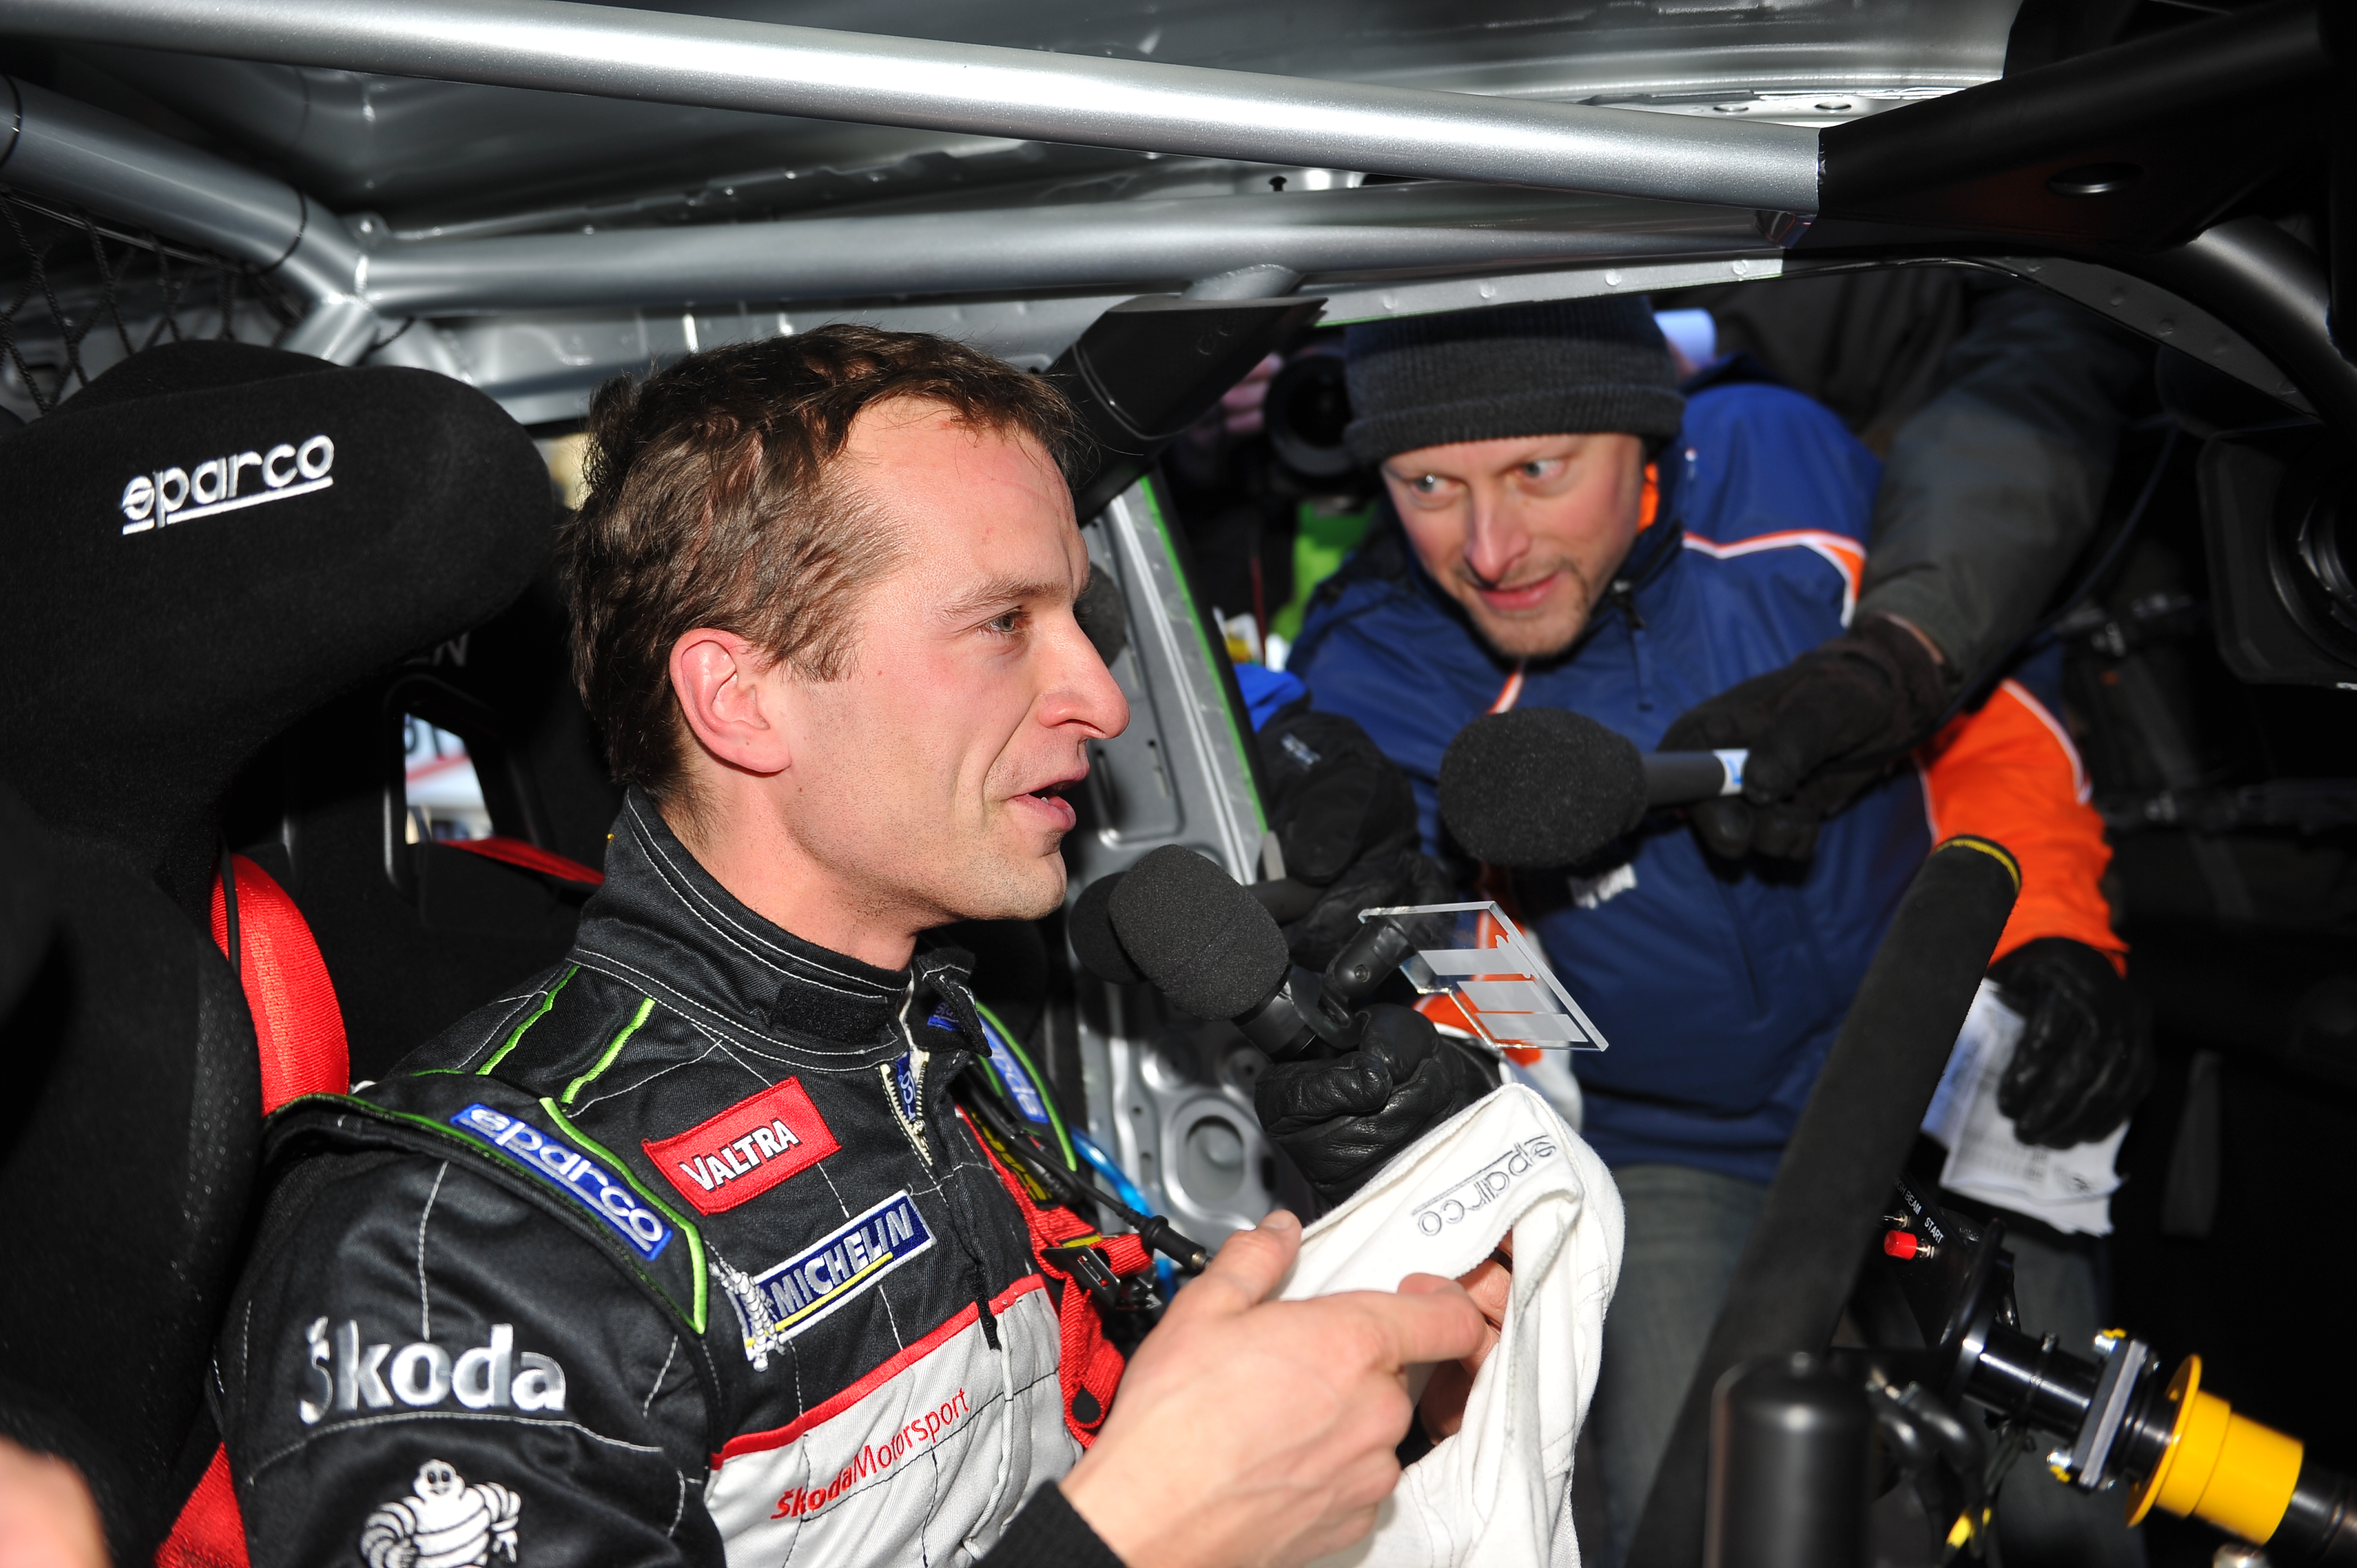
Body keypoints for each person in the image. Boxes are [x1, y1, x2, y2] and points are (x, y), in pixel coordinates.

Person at [204, 327, 1488, 1568]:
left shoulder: (937, 1037)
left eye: (1078, 622)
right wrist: (1135, 1542)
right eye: (1003, 624)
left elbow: (1092, 1437)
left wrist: (1376, 1236)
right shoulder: (467, 1249)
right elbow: (1129, 1512)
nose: (1101, 700)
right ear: (741, 699)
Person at [1276, 299, 2142, 1565]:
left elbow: (1985, 706)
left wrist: (2049, 932)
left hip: (1942, 1076)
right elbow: (1468, 995)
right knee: (1692, 1524)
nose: (1490, 548)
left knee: (2075, 1515)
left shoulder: (1785, 465)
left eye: (1538, 470)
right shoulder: (1374, 674)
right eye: (1427, 485)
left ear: (1644, 434)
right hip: (1672, 1144)